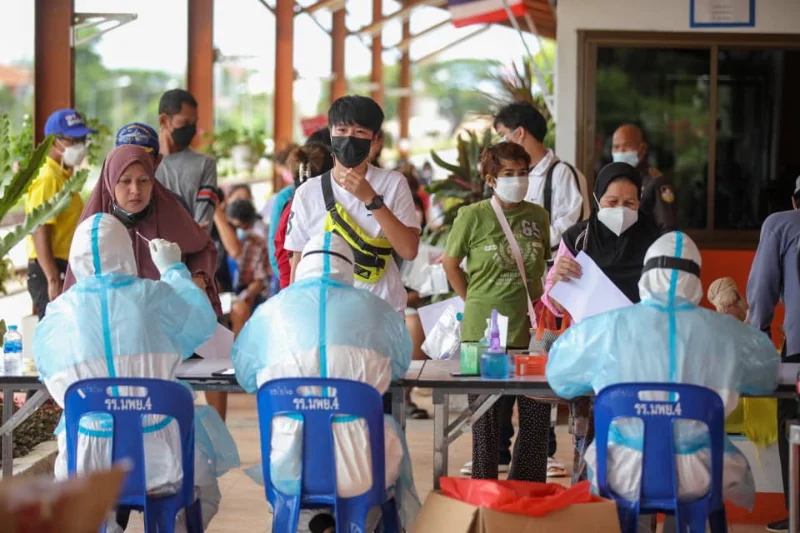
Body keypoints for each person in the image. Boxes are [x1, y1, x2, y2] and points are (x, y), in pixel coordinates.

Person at [546, 231, 779, 532]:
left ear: (646, 276)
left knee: (629, 496)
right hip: (699, 473)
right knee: (694, 499)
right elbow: (767, 376)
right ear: (696, 280)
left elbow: (559, 379)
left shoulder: (607, 327)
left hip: (624, 470)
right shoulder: (726, 333)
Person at [34, 213, 239, 533]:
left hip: (88, 463)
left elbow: (52, 378)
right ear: (127, 251)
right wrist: (173, 270)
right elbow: (200, 324)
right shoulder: (150, 297)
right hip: (162, 457)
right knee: (204, 491)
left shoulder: (59, 315)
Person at [231, 232, 421, 532]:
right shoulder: (374, 308)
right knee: (388, 432)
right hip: (362, 471)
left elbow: (245, 374)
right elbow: (398, 366)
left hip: (288, 468)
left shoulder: (272, 311)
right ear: (350, 269)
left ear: (303, 266)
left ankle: (314, 523)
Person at [542, 161, 661, 481]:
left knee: (636, 447)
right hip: (591, 356)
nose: (620, 210)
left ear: (640, 202)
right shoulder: (578, 238)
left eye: (629, 203)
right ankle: (587, 510)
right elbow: (552, 306)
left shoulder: (656, 240)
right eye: (611, 202)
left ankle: (634, 514)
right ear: (596, 200)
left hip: (641, 358)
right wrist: (557, 282)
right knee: (589, 442)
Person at [442, 142, 552, 481]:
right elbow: (450, 263)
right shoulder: (473, 216)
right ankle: (484, 494)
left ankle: (527, 495)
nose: (517, 180)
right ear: (491, 179)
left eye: (523, 173)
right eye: (508, 174)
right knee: (486, 424)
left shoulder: (538, 216)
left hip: (530, 331)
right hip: (482, 334)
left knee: (536, 419)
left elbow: (540, 268)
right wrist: (473, 299)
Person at [285, 95, 421, 312]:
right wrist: (294, 311)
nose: (349, 138)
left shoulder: (393, 183)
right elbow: (298, 260)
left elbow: (408, 250)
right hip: (328, 311)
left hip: (383, 310)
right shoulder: (307, 193)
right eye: (342, 131)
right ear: (330, 133)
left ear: (374, 139)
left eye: (359, 132)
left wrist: (371, 199)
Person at [63, 145, 220, 314]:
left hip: (169, 323)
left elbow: (204, 246)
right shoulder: (94, 228)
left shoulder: (170, 212)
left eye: (143, 180)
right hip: (114, 324)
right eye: (125, 181)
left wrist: (199, 276)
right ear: (110, 182)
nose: (135, 190)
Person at [746, 176, 800, 533]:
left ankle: (796, 512)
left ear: (795, 201)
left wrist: (758, 339)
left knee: (792, 426)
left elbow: (762, 290)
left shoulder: (782, 225)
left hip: (798, 355)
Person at [494, 102, 590, 254]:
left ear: (519, 133)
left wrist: (522, 246)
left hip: (552, 271)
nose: (502, 143)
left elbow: (571, 229)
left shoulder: (562, 173)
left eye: (502, 135)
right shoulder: (509, 177)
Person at [26, 109, 95, 318]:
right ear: (54, 141)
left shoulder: (64, 176)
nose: (80, 146)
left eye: (82, 139)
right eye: (73, 140)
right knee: (56, 335)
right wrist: (53, 279)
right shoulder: (48, 177)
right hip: (49, 269)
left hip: (63, 266)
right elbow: (40, 228)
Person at [273, 143, 334, 290]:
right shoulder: (319, 208)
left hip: (294, 292)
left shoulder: (289, 206)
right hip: (310, 293)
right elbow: (295, 261)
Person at [155, 89, 218, 231]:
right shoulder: (143, 162)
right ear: (164, 120)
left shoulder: (205, 164)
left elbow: (203, 227)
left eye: (194, 123)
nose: (191, 129)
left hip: (189, 251)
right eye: (184, 122)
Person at [612, 123, 677, 232]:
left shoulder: (655, 181)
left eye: (626, 146)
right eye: (616, 147)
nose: (620, 151)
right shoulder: (612, 179)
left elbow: (667, 226)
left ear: (642, 149)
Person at [115, 122, 191, 214]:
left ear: (157, 161)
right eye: (126, 157)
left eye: (143, 158)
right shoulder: (102, 208)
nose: (135, 190)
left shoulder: (176, 206)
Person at [222, 199, 268, 334]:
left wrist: (245, 295)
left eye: (241, 226)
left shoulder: (256, 244)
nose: (237, 231)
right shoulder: (217, 244)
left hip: (249, 298)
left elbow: (259, 281)